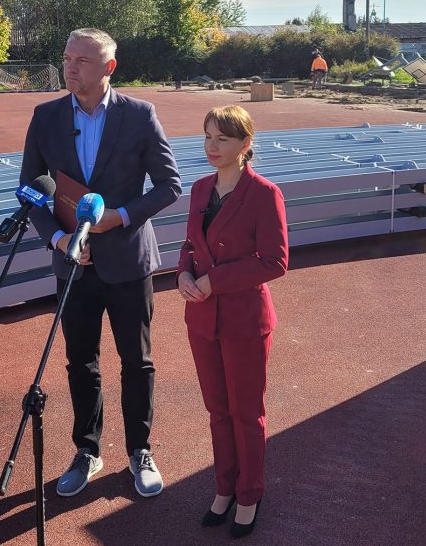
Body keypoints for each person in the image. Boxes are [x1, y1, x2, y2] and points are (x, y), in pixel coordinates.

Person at [20, 28, 182, 497]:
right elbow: (31, 190)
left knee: (137, 361)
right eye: (67, 58)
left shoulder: (140, 115)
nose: (70, 67)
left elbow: (169, 185)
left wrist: (121, 216)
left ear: (109, 67)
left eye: (82, 60)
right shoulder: (46, 116)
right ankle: (87, 450)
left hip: (128, 261)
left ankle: (140, 449)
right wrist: (58, 239)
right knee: (80, 362)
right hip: (73, 263)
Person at [177, 105, 288, 537]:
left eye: (222, 139)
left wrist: (213, 281)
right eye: (207, 137)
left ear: (245, 144)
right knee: (217, 411)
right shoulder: (200, 189)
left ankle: (249, 493)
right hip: (202, 319)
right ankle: (224, 487)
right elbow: (191, 244)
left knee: (246, 413)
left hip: (244, 321)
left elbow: (275, 261)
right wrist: (184, 274)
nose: (212, 146)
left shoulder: (264, 193)